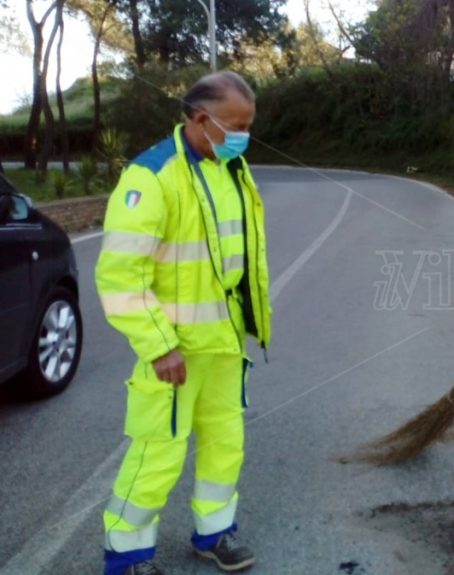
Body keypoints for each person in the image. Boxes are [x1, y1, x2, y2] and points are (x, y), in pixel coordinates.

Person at [95, 71, 272, 575]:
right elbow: (121, 274)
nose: (245, 136)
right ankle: (127, 555)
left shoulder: (231, 170)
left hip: (223, 345)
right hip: (173, 352)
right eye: (237, 125)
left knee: (224, 445)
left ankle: (215, 533)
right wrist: (157, 345)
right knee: (157, 454)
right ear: (201, 119)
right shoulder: (152, 176)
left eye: (249, 126)